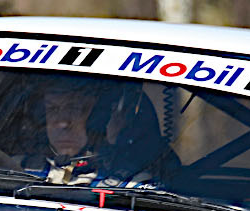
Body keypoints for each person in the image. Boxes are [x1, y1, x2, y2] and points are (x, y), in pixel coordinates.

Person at [22, 77, 174, 186]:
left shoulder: (133, 185)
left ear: (101, 118)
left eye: (74, 108)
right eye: (52, 109)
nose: (62, 122)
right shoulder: (16, 170)